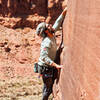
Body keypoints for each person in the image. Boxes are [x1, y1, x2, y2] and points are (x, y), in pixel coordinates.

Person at [35, 7, 67, 100]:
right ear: (46, 31)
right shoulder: (47, 42)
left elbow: (57, 23)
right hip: (45, 68)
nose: (50, 25)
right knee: (48, 89)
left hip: (48, 67)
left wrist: (63, 13)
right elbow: (44, 57)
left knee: (48, 86)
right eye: (48, 25)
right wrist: (56, 65)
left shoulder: (51, 33)